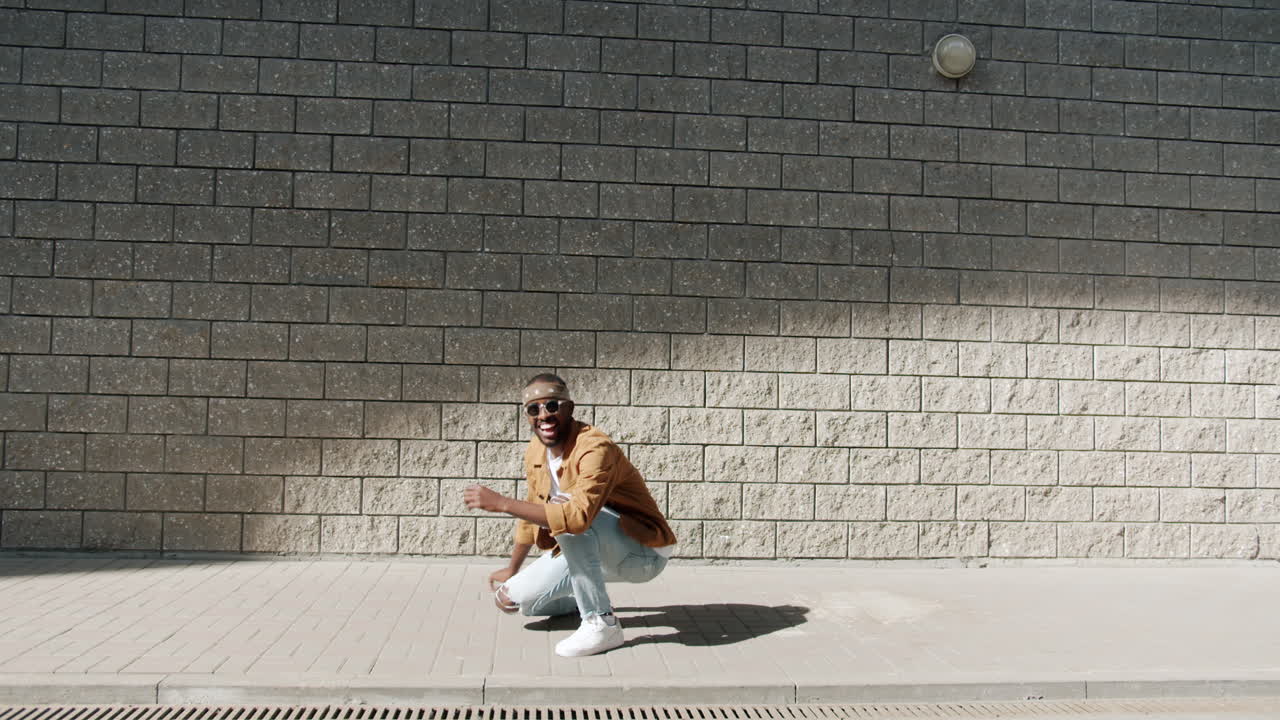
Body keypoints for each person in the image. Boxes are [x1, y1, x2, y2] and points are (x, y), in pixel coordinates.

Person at [463, 373, 676, 657]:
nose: (544, 416)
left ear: (569, 408)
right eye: (533, 409)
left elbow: (576, 518)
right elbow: (531, 512)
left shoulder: (595, 447)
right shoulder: (536, 450)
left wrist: (502, 503)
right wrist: (512, 568)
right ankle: (582, 595)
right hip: (592, 549)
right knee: (515, 600)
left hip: (642, 553)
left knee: (567, 508)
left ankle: (601, 623)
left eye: (552, 406)